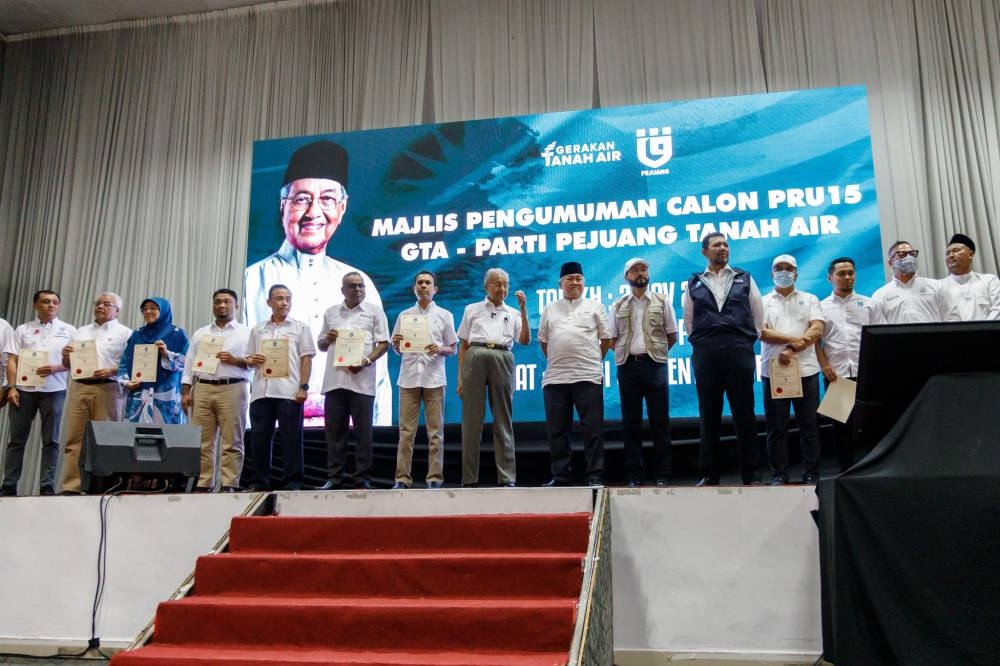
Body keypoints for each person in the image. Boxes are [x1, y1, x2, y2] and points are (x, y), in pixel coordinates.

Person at [243, 140, 389, 425]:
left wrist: (379, 433)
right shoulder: (252, 279)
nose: (313, 212)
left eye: (327, 200)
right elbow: (247, 364)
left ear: (342, 207)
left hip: (343, 417)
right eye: (301, 199)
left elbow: (379, 376)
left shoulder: (361, 284)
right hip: (273, 419)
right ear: (282, 205)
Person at [682, 233, 764, 486]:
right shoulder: (693, 283)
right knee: (709, 414)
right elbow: (689, 322)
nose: (723, 248)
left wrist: (741, 342)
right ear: (704, 251)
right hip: (706, 354)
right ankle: (709, 474)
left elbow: (758, 317)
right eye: (717, 245)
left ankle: (751, 475)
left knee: (745, 413)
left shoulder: (744, 278)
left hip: (738, 351)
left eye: (726, 244)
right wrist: (707, 343)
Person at [539, 262, 611, 487]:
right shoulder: (550, 309)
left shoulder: (595, 306)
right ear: (561, 283)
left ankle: (595, 475)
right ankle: (561, 476)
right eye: (570, 278)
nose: (575, 282)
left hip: (588, 376)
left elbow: (606, 340)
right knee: (558, 432)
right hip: (555, 378)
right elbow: (544, 342)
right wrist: (560, 357)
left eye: (579, 278)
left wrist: (589, 359)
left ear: (584, 282)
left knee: (593, 430)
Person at [315, 272, 389, 490]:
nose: (357, 290)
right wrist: (327, 339)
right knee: (335, 433)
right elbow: (320, 344)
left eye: (361, 286)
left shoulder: (374, 311)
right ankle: (334, 477)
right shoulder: (331, 312)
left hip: (362, 381)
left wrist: (366, 361)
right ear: (342, 290)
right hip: (334, 381)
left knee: (363, 434)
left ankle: (362, 478)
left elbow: (383, 344)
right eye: (352, 286)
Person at [457, 268, 530, 487]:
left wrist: (524, 311)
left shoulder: (513, 312)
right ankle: (469, 478)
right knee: (471, 420)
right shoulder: (472, 309)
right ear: (487, 286)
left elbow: (524, 340)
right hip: (475, 354)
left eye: (506, 284)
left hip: (503, 355)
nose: (502, 288)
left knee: (503, 419)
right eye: (497, 284)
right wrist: (461, 377)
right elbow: (463, 344)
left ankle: (507, 477)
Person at [608, 257, 678, 488]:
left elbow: (672, 335)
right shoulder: (617, 305)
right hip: (627, 367)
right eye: (635, 269)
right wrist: (631, 354)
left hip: (655, 365)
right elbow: (612, 339)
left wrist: (654, 353)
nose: (641, 272)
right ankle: (635, 476)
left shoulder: (662, 300)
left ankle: (664, 474)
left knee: (660, 422)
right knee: (631, 424)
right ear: (626, 276)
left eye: (644, 268)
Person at [2, 290, 75, 496]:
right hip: (23, 391)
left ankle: (47, 486)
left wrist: (56, 368)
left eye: (55, 302)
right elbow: (12, 360)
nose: (51, 305)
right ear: (36, 305)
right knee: (16, 441)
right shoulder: (23, 329)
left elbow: (77, 363)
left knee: (51, 441)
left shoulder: (69, 330)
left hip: (54, 391)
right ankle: (8, 485)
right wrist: (12, 387)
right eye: (45, 302)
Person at [759, 255, 825, 485]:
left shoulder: (810, 299)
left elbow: (817, 329)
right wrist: (795, 341)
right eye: (779, 268)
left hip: (806, 371)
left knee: (809, 426)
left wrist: (792, 348)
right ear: (771, 273)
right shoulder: (762, 301)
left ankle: (811, 472)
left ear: (796, 274)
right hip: (773, 371)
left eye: (789, 269)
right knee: (776, 428)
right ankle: (779, 473)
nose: (784, 272)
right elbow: (763, 333)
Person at [58, 293, 132, 494]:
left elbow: (131, 365)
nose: (100, 306)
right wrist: (65, 357)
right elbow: (67, 365)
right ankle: (71, 486)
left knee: (106, 439)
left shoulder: (125, 333)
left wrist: (112, 370)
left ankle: (103, 487)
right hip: (80, 386)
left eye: (106, 304)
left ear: (117, 310)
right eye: (97, 302)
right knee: (74, 439)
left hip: (108, 389)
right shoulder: (81, 331)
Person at [390, 271, 458, 490]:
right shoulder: (404, 315)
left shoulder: (445, 315)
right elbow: (397, 348)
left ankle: (434, 478)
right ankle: (402, 479)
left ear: (435, 289)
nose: (423, 286)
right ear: (414, 288)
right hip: (408, 378)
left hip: (434, 378)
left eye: (428, 283)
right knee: (406, 432)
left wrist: (439, 348)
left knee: (435, 432)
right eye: (419, 283)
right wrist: (397, 344)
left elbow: (453, 348)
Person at [245, 284, 315, 491]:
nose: (284, 302)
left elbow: (307, 359)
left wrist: (303, 387)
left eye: (288, 298)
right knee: (259, 440)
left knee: (291, 440)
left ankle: (292, 483)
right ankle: (259, 482)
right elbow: (249, 358)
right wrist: (251, 359)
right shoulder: (258, 329)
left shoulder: (300, 328)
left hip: (289, 392)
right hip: (261, 391)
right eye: (279, 298)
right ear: (269, 302)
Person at [181, 289, 252, 492]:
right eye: (218, 302)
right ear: (213, 305)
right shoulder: (201, 333)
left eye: (227, 302)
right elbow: (189, 364)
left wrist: (235, 360)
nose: (222, 305)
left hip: (233, 387)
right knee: (203, 441)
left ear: (236, 306)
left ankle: (229, 483)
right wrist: (186, 392)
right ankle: (204, 483)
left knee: (232, 440)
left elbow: (255, 362)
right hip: (202, 388)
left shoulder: (247, 333)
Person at [815, 257, 873, 472]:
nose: (847, 277)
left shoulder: (868, 303)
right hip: (836, 373)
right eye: (841, 274)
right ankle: (846, 469)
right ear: (830, 277)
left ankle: (871, 466)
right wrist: (824, 365)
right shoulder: (821, 307)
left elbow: (877, 336)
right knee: (841, 425)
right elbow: (815, 342)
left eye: (851, 273)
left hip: (866, 372)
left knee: (868, 423)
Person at [119, 298, 189, 424]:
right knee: (136, 434)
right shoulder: (137, 334)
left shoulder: (177, 334)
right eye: (145, 309)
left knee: (168, 437)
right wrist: (126, 382)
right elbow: (124, 362)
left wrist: (167, 354)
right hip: (139, 392)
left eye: (153, 308)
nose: (148, 311)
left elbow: (187, 362)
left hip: (167, 395)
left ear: (163, 311)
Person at [870, 241, 960, 324]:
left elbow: (952, 318)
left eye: (912, 254)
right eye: (902, 254)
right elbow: (878, 328)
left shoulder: (937, 287)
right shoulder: (880, 295)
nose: (908, 258)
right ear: (890, 263)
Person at [939, 233, 1000, 321]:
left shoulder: (989, 281)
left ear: (970, 254)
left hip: (989, 333)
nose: (950, 256)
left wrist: (983, 331)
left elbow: (998, 309)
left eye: (956, 250)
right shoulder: (939, 286)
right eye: (947, 253)